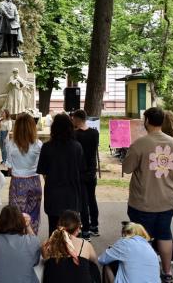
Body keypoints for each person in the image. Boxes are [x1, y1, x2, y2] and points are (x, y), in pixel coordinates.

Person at [122, 107, 173, 283]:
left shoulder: (140, 143)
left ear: (147, 121)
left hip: (143, 201)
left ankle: (143, 272)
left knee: (141, 238)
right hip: (167, 200)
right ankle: (168, 272)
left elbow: (127, 168)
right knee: (164, 234)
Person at [37, 113, 85, 236]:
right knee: (72, 233)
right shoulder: (77, 147)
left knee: (54, 231)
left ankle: (54, 254)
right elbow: (81, 170)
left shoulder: (47, 147)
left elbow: (44, 172)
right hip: (72, 195)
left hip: (53, 195)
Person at [6, 113, 43, 234]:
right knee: (33, 216)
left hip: (17, 182)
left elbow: (9, 168)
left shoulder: (10, 144)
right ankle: (31, 242)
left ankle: (17, 245)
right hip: (34, 181)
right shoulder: (38, 144)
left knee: (15, 217)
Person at [42, 210, 100, 283]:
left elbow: (44, 259)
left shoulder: (48, 244)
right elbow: (95, 261)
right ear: (77, 229)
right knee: (93, 266)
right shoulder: (85, 245)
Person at [0, 205, 41, 283]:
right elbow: (35, 261)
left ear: (1, 222)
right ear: (21, 222)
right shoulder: (32, 241)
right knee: (39, 261)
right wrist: (28, 226)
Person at [72, 109, 100, 239]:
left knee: (83, 201)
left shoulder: (75, 135)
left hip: (80, 171)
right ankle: (94, 225)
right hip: (92, 170)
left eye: (73, 119)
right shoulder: (95, 133)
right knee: (92, 199)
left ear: (78, 119)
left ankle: (86, 229)